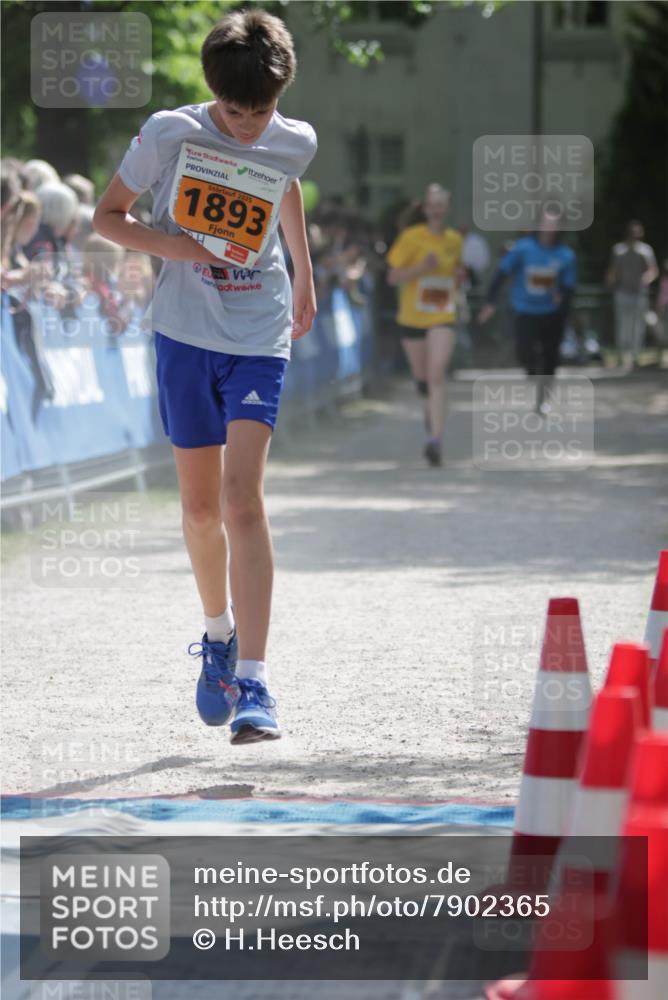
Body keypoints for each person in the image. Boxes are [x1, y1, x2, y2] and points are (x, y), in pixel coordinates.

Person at [93, 8, 317, 745]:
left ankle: (254, 681)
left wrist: (304, 274)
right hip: (185, 333)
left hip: (259, 331)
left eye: (263, 109)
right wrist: (180, 250)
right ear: (212, 93)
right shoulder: (169, 133)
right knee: (198, 510)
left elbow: (281, 182)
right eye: (235, 110)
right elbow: (108, 217)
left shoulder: (295, 139)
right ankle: (216, 635)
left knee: (241, 499)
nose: (250, 124)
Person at [386, 183, 463, 467]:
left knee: (436, 375)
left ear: (447, 208)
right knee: (423, 382)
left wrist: (457, 275)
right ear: (425, 208)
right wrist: (421, 268)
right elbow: (393, 278)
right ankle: (431, 406)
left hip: (442, 316)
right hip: (412, 319)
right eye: (433, 205)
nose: (438, 210)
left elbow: (454, 271)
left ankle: (436, 441)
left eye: (442, 205)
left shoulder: (454, 239)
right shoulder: (410, 237)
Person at [478, 208, 576, 415]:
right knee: (524, 352)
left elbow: (568, 286)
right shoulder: (523, 249)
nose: (550, 228)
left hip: (552, 313)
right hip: (525, 310)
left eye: (555, 224)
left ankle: (543, 401)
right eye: (547, 223)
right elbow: (501, 274)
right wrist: (489, 302)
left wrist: (562, 297)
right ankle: (532, 369)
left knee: (550, 359)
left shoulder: (565, 255)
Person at [606, 220, 659, 369]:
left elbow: (653, 270)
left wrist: (646, 279)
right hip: (622, 293)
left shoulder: (646, 251)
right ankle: (622, 356)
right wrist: (611, 282)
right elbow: (613, 271)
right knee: (623, 325)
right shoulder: (619, 250)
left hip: (640, 294)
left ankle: (635, 357)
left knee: (638, 327)